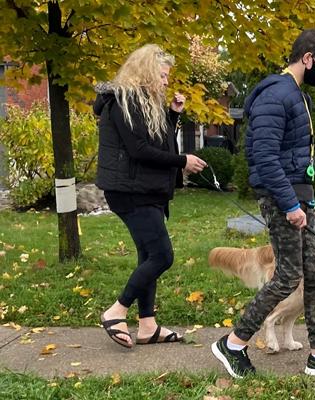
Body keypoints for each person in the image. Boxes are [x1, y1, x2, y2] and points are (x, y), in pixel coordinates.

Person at [210, 29, 315, 378]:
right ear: (307, 58)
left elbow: (295, 158)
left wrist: (309, 203)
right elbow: (264, 157)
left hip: (298, 199)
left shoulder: (296, 95)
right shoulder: (276, 95)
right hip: (282, 200)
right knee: (287, 276)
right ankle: (232, 343)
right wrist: (291, 204)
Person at [96, 44, 208, 349]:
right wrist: (183, 161)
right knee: (162, 256)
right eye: (162, 75)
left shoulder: (143, 103)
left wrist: (172, 116)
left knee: (148, 256)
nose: (166, 81)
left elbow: (155, 143)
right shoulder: (123, 101)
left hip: (144, 190)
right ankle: (116, 311)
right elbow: (139, 151)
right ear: (145, 72)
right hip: (130, 192)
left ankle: (147, 326)